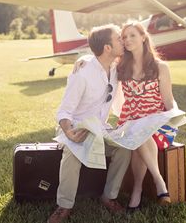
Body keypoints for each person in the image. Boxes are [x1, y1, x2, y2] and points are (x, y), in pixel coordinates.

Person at [47, 24, 131, 223]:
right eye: (119, 38)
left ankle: (109, 197)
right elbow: (64, 111)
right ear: (108, 48)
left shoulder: (116, 67)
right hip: (75, 127)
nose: (123, 41)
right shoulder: (83, 73)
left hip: (100, 129)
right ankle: (64, 205)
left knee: (124, 149)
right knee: (72, 152)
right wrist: (69, 132)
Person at [116, 20, 176, 212]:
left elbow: (168, 100)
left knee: (141, 132)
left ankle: (138, 189)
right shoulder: (120, 67)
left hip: (158, 125)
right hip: (131, 125)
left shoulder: (160, 67)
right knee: (137, 130)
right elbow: (98, 62)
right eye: (124, 37)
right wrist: (80, 62)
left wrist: (175, 118)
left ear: (143, 37)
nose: (127, 39)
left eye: (132, 35)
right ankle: (159, 184)